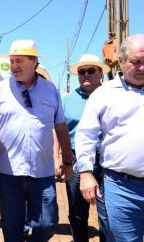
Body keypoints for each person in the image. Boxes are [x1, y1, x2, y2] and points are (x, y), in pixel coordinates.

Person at [0, 39, 73, 242]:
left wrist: (68, 160)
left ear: (34, 62)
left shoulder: (50, 90)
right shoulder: (0, 90)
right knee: (12, 229)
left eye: (19, 61)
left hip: (42, 172)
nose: (14, 66)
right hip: (9, 173)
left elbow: (60, 126)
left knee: (47, 224)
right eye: (11, 61)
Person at [75, 34, 144, 242]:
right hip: (122, 188)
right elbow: (86, 135)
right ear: (121, 62)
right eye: (136, 62)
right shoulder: (103, 94)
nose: (142, 68)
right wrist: (86, 173)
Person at [55, 54, 110, 242]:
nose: (85, 74)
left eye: (90, 70)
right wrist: (57, 157)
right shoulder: (67, 99)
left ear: (100, 73)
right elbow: (57, 129)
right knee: (77, 213)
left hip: (106, 162)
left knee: (108, 214)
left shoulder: (112, 96)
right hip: (75, 160)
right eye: (81, 71)